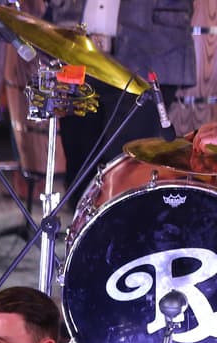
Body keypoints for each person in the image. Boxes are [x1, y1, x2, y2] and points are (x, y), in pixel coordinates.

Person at [44, 1, 195, 203]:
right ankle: (83, 231)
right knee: (80, 172)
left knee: (124, 170)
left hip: (151, 52)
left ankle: (123, 229)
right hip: (77, 51)